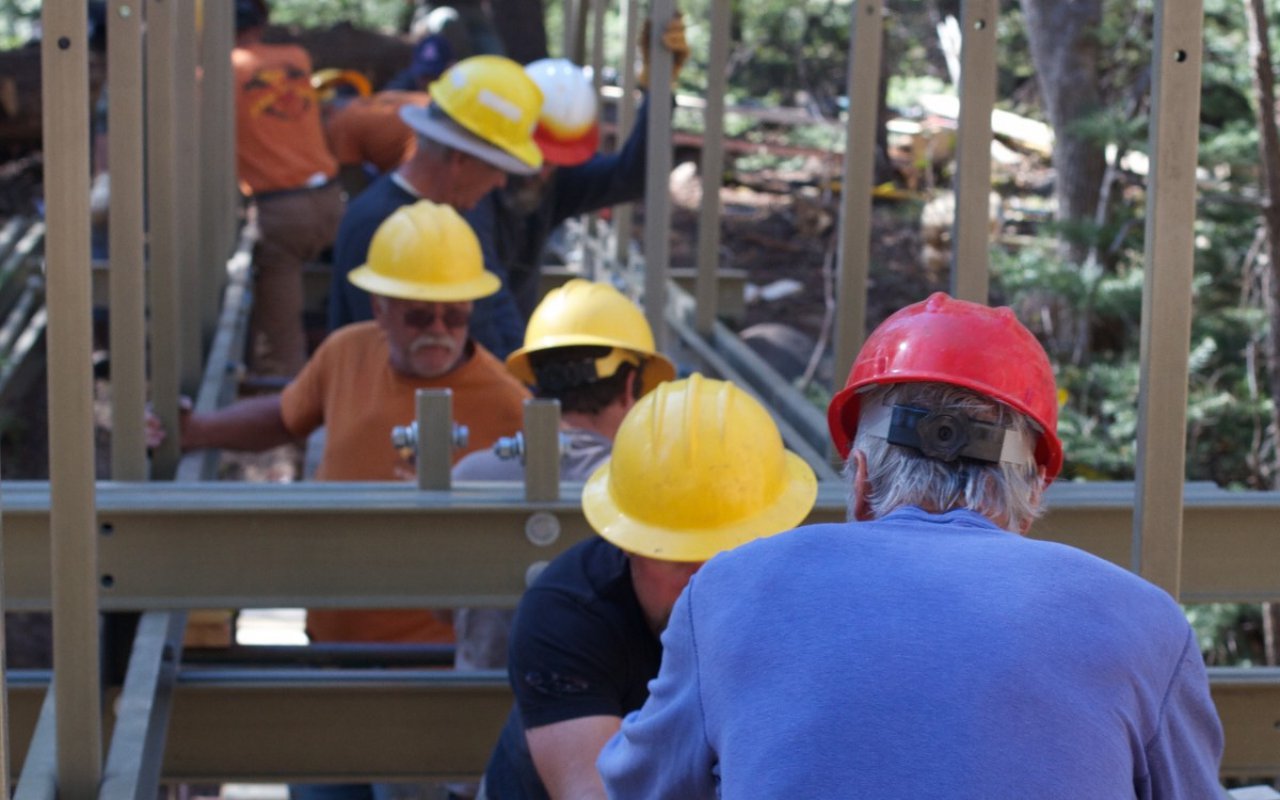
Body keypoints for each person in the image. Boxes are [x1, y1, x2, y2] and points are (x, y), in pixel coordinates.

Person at [597, 293, 1225, 798]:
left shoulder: (727, 591)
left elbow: (637, 788)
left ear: (862, 481)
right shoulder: (1146, 624)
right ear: (1029, 496)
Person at [180, 200, 528, 647]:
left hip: (432, 661)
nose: (439, 329)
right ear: (380, 309)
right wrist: (198, 430)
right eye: (419, 315)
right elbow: (286, 415)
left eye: (455, 315)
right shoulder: (346, 353)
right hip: (331, 638)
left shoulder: (508, 405)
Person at [480, 374, 818, 799]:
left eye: (725, 559)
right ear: (627, 545)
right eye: (676, 558)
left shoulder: (803, 603)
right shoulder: (565, 614)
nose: (701, 587)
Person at [330, 16, 690, 349]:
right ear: (464, 158)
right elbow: (470, 331)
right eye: (511, 164)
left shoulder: (504, 193)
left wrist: (658, 92)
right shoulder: (399, 225)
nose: (537, 172)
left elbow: (630, 177)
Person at [450, 278, 678, 672]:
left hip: (473, 715)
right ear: (630, 385)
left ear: (534, 381)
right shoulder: (651, 492)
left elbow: (445, 608)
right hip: (603, 725)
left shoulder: (470, 475)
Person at [327, 54, 543, 361]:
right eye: (497, 168)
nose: (499, 182)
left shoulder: (452, 219)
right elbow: (389, 370)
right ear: (460, 160)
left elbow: (493, 320)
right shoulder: (378, 227)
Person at [232, 0, 345, 377]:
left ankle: (289, 420)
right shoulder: (296, 56)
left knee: (279, 338)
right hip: (331, 199)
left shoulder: (218, 73)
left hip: (280, 213)